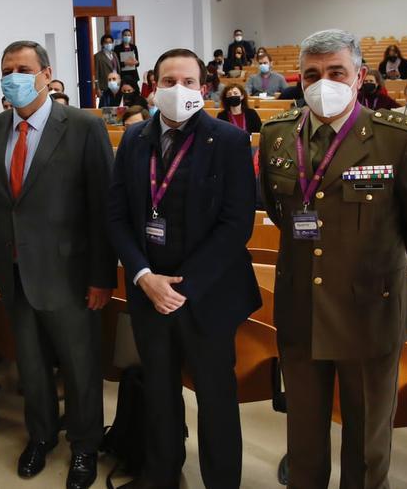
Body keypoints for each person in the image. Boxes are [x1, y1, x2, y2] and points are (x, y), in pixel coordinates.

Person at [257, 29, 407, 489]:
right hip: (300, 305)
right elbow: (281, 214)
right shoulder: (277, 135)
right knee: (303, 435)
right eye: (313, 74)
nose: (325, 82)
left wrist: (372, 261)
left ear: (360, 77)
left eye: (337, 72)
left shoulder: (398, 139)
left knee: (366, 443)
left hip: (370, 308)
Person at [107, 48, 261, 489]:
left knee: (215, 397)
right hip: (148, 289)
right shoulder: (134, 139)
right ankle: (161, 473)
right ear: (153, 86)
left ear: (203, 87)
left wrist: (182, 288)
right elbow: (116, 215)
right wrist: (143, 277)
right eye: (169, 82)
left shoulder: (229, 140)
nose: (178, 90)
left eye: (188, 82)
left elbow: (237, 224)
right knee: (159, 391)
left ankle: (221, 481)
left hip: (208, 294)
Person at [0, 41, 115, 489]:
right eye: (6, 70)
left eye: (22, 68)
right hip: (15, 272)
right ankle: (40, 435)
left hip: (70, 275)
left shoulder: (80, 126)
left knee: (79, 367)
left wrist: (101, 276)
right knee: (31, 366)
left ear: (45, 73)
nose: (13, 77)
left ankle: (84, 445)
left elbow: (103, 207)